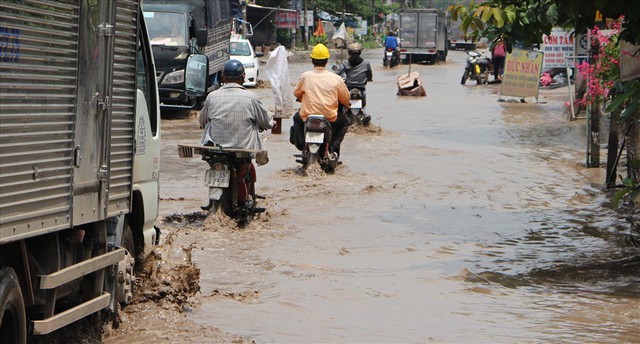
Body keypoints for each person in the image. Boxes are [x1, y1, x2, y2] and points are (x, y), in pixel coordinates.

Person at [199, 59, 274, 208]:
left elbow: (202, 121)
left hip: (215, 149)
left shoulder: (212, 97)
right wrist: (272, 123)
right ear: (243, 77)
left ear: (223, 78)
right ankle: (244, 200)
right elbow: (266, 122)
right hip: (242, 150)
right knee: (244, 165)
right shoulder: (251, 98)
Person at [291, 43, 351, 159]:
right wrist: (346, 105)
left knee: (296, 118)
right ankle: (333, 147)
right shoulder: (336, 79)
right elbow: (346, 99)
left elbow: (296, 93)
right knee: (345, 122)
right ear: (327, 60)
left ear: (312, 60)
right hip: (330, 117)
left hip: (308, 116)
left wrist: (301, 97)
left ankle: (304, 146)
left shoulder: (305, 76)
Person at [333, 42, 373, 123]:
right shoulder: (366, 64)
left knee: (340, 103)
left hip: (348, 89)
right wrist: (369, 79)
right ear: (360, 52)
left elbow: (337, 74)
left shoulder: (345, 63)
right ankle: (364, 115)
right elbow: (369, 75)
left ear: (349, 53)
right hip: (361, 89)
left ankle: (339, 116)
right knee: (364, 105)